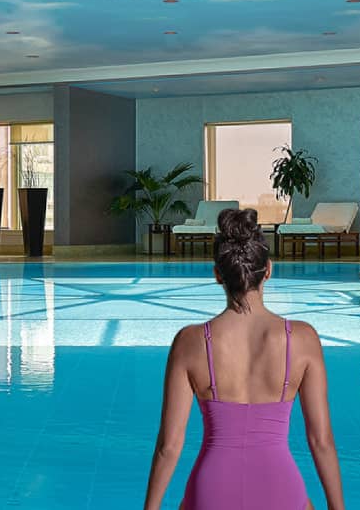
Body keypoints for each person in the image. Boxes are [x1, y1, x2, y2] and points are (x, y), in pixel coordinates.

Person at [143, 207, 344, 510]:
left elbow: (169, 447)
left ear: (217, 275)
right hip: (280, 487)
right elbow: (321, 440)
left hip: (211, 490)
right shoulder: (303, 339)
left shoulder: (190, 341)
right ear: (269, 270)